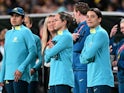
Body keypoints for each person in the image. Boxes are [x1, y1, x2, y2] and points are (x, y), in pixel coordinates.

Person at [0, 7, 36, 93]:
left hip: (21, 75)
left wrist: (21, 68)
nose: (14, 18)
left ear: (23, 19)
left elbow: (33, 52)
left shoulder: (26, 31)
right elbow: (5, 57)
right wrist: (1, 77)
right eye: (12, 16)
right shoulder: (8, 34)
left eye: (17, 16)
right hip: (8, 76)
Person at [80, 8, 114, 93]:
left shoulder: (101, 33)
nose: (89, 19)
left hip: (102, 80)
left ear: (99, 19)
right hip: (91, 80)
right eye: (87, 17)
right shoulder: (88, 37)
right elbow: (82, 60)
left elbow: (87, 55)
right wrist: (87, 56)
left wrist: (87, 56)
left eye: (92, 16)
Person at [44, 12, 74, 93]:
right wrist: (49, 50)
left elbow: (50, 54)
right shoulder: (56, 37)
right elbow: (46, 59)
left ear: (64, 22)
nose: (54, 23)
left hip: (63, 78)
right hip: (53, 79)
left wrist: (49, 50)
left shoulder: (67, 36)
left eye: (56, 20)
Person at [72, 2, 90, 93]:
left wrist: (70, 42)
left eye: (74, 13)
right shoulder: (78, 28)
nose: (74, 16)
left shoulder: (87, 27)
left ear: (78, 12)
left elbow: (79, 47)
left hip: (83, 68)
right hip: (76, 67)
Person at [24, 15, 42, 93]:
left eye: (26, 23)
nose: (24, 25)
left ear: (30, 25)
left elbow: (42, 59)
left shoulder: (36, 39)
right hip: (16, 76)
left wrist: (33, 69)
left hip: (31, 77)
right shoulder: (13, 38)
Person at [42, 15, 56, 93]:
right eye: (48, 22)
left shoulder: (63, 38)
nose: (51, 24)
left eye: (53, 21)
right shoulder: (44, 41)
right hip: (47, 75)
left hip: (59, 74)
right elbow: (45, 61)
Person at [110, 19, 124, 93]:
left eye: (123, 28)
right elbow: (113, 50)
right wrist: (112, 36)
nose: (122, 30)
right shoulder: (122, 42)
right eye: (121, 28)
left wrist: (117, 63)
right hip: (121, 78)